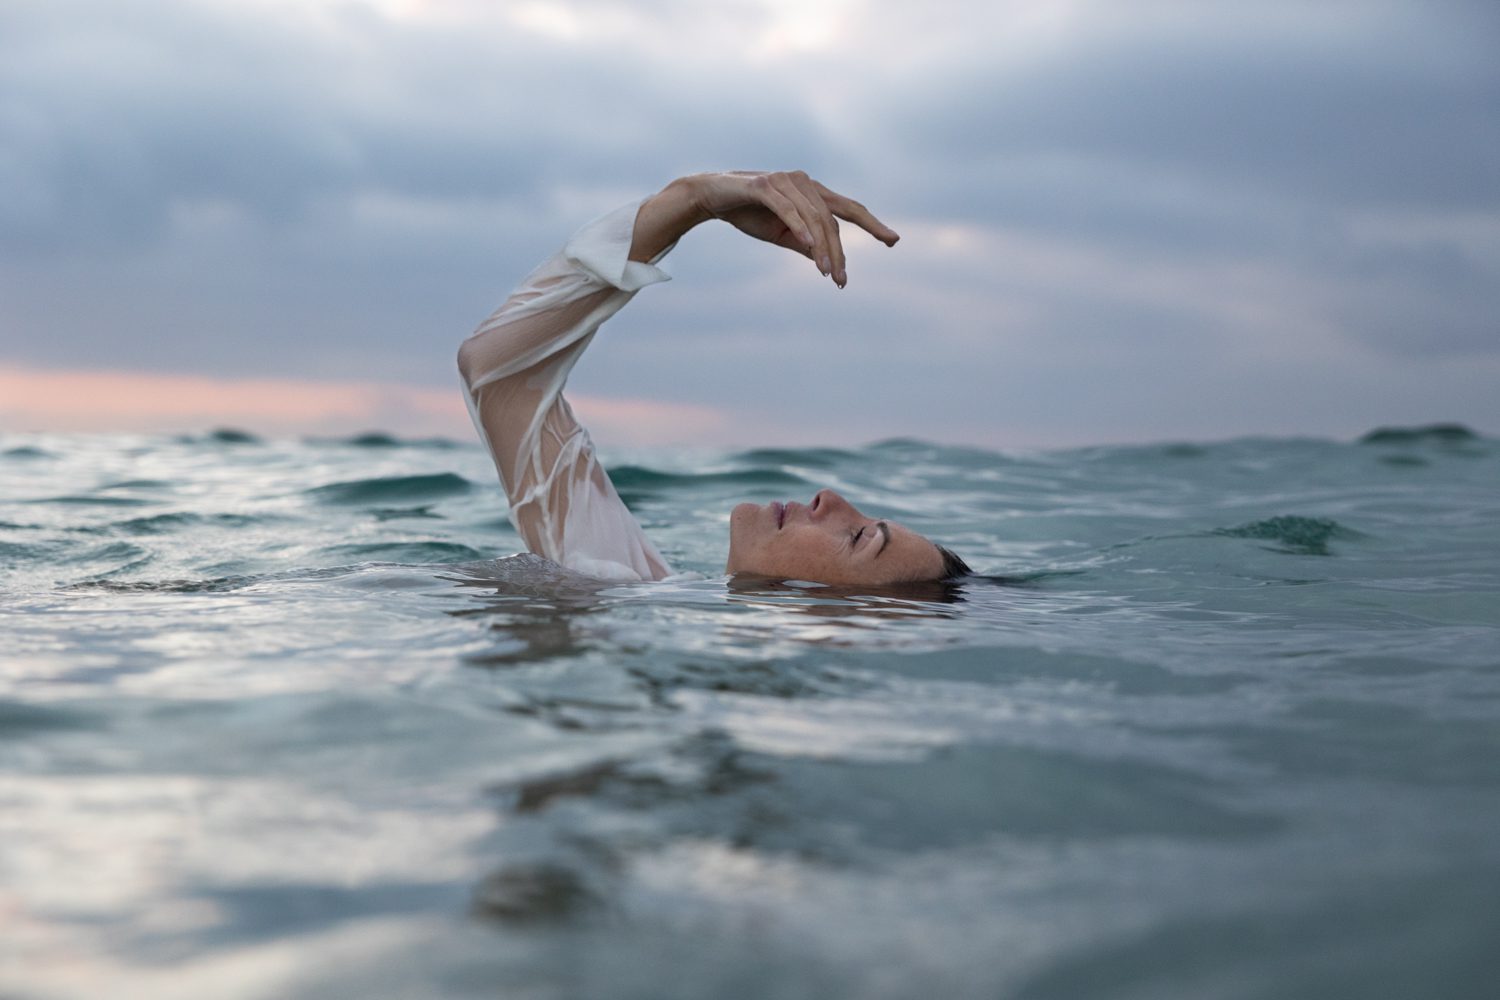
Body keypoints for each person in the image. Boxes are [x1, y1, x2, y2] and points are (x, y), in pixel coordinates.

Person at [457, 170, 971, 586]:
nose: (829, 498)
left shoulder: (611, 602)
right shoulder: (631, 584)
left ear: (837, 625)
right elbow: (498, 372)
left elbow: (499, 375)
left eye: (859, 538)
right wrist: (691, 202)